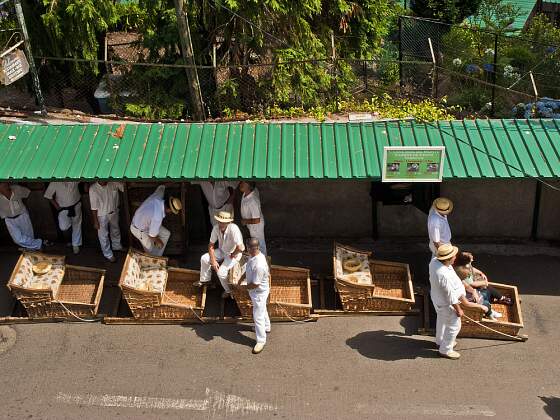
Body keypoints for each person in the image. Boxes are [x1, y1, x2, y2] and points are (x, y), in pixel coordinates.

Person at [429, 243, 488, 360]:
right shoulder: (443, 274)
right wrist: (458, 309)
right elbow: (450, 295)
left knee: (441, 320)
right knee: (454, 326)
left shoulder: (434, 262)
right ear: (447, 259)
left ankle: (440, 341)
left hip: (437, 299)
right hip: (446, 303)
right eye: (453, 256)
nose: (455, 258)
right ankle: (445, 349)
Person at [195, 210, 244, 298]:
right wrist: (213, 260)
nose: (221, 224)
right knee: (204, 258)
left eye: (224, 222)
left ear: (229, 222)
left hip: (233, 254)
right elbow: (211, 245)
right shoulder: (216, 228)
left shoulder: (234, 229)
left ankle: (228, 291)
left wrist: (233, 254)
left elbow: (241, 248)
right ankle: (206, 281)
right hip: (222, 251)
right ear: (217, 221)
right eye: (220, 222)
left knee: (221, 273)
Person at [234, 237, 271, 354]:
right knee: (262, 310)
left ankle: (261, 341)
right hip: (256, 292)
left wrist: (241, 288)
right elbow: (248, 267)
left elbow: (255, 284)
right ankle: (266, 327)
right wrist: (241, 278)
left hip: (259, 292)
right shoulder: (254, 255)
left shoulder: (259, 265)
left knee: (257, 315)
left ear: (250, 248)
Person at [453, 251, 513, 320]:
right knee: (485, 300)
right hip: (468, 299)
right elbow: (466, 302)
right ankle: (490, 312)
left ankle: (499, 300)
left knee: (487, 292)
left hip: (470, 294)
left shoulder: (462, 275)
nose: (472, 258)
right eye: (471, 257)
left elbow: (467, 284)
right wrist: (482, 306)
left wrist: (474, 291)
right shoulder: (461, 274)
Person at [130, 185, 182, 256]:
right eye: (172, 211)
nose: (170, 213)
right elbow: (152, 236)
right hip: (138, 229)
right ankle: (153, 257)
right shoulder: (158, 216)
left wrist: (164, 185)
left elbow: (161, 188)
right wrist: (159, 242)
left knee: (166, 234)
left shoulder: (158, 196)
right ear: (169, 210)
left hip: (143, 222)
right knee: (150, 250)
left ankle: (158, 256)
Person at [0, 183, 52, 251]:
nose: (5, 186)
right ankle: (40, 243)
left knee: (29, 236)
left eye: (5, 184)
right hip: (9, 220)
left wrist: (24, 205)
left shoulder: (16, 189)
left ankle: (33, 251)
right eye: (2, 185)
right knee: (17, 239)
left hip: (22, 216)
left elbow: (28, 193)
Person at [89, 181, 124, 262]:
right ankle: (108, 254)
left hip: (114, 211)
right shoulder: (93, 189)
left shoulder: (113, 182)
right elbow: (93, 208)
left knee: (115, 229)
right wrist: (95, 221)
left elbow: (124, 188)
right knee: (103, 235)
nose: (105, 180)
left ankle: (117, 246)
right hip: (101, 215)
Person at [44, 182, 83, 254]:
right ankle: (71, 232)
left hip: (76, 205)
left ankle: (75, 245)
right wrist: (56, 206)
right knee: (63, 227)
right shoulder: (55, 182)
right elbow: (48, 195)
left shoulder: (74, 178)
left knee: (77, 224)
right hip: (63, 209)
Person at [239, 181, 267, 256]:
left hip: (256, 226)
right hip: (252, 225)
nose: (240, 184)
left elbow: (257, 220)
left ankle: (264, 262)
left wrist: (245, 221)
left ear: (249, 186)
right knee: (255, 244)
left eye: (243, 183)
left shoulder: (253, 201)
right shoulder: (245, 194)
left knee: (260, 244)